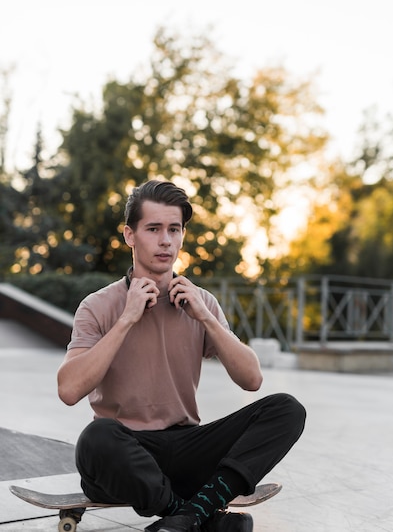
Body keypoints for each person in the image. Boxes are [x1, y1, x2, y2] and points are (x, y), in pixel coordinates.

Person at [57, 179, 306, 532]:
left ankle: (184, 520)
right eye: (153, 229)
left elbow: (252, 379)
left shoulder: (198, 302)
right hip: (126, 453)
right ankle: (199, 518)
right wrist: (126, 319)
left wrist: (205, 316)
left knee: (287, 409)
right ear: (130, 235)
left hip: (187, 446)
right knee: (95, 440)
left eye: (174, 230)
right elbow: (68, 390)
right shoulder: (98, 306)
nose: (165, 241)